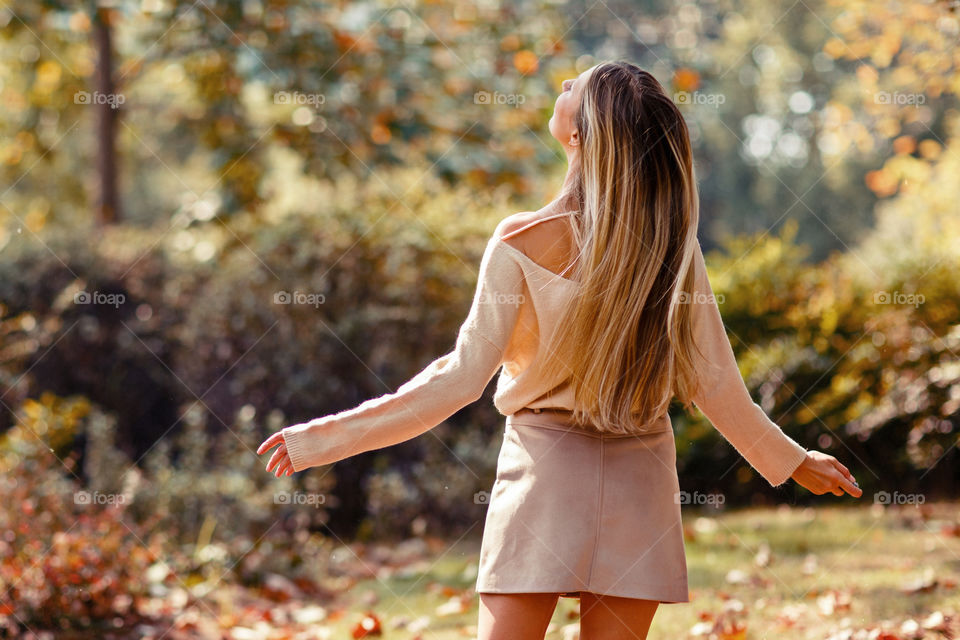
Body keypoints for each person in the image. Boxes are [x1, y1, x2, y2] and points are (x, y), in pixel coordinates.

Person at [258, 59, 862, 640]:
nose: (566, 81)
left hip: (542, 474)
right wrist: (792, 460)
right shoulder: (672, 250)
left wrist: (325, 439)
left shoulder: (521, 240)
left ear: (580, 133)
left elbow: (458, 379)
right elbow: (716, 386)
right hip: (641, 479)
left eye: (580, 86)